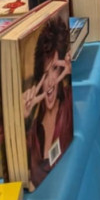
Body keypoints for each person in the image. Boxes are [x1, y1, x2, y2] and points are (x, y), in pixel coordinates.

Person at [23, 15, 73, 189]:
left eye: (55, 69)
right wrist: (22, 120)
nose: (51, 80)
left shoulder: (69, 105)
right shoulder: (33, 131)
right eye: (46, 73)